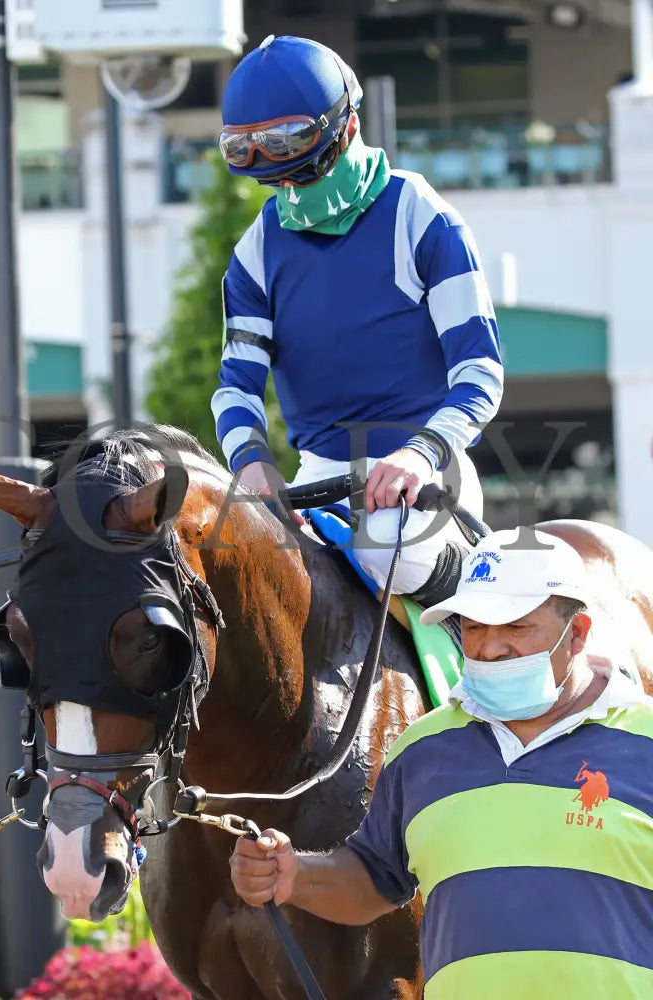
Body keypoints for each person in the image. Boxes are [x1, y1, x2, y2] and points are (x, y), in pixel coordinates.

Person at [229, 528, 653, 999]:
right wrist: (295, 875)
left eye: (515, 626)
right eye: (473, 627)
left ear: (576, 633)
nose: (490, 648)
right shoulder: (423, 748)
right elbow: (374, 876)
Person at [211, 34, 504, 604]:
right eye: (275, 180)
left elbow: (480, 372)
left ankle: (483, 614)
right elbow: (236, 388)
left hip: (423, 472)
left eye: (302, 168)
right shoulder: (253, 254)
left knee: (386, 550)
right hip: (316, 478)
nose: (290, 189)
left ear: (345, 128)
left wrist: (417, 454)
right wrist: (251, 464)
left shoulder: (424, 218)